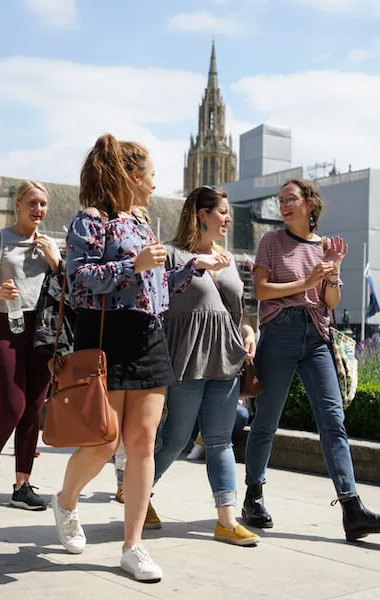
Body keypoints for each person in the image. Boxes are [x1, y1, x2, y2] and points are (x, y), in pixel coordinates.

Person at [51, 134, 218, 582]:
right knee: (104, 441)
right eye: (150, 172)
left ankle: (133, 546)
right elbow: (79, 279)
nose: (155, 181)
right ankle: (66, 502)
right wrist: (134, 265)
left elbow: (158, 287)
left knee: (143, 441)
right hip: (106, 336)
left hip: (148, 334)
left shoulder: (145, 222)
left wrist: (192, 269)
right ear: (131, 175)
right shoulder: (91, 221)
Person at [242, 178, 380, 541]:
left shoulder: (326, 247)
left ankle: (352, 509)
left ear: (310, 204)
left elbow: (330, 303)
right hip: (279, 333)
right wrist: (306, 282)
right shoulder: (271, 242)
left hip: (316, 337)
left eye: (291, 199)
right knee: (266, 421)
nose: (283, 205)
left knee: (333, 419)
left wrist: (332, 271)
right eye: (281, 200)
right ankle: (253, 497)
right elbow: (261, 290)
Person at [150, 185, 260, 546]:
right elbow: (154, 293)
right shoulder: (170, 253)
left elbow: (238, 312)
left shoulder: (228, 258)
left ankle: (226, 521)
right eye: (222, 212)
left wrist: (247, 331)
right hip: (187, 357)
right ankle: (136, 491)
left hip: (226, 358)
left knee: (219, 440)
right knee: (176, 437)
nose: (228, 218)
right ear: (201, 213)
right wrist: (194, 264)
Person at [0, 180, 60, 510]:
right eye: (32, 203)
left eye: (43, 204)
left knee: (35, 408)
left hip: (41, 332)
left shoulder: (49, 245)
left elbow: (67, 286)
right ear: (17, 205)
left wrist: (55, 261)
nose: (38, 209)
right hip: (5, 327)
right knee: (13, 406)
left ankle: (22, 485)